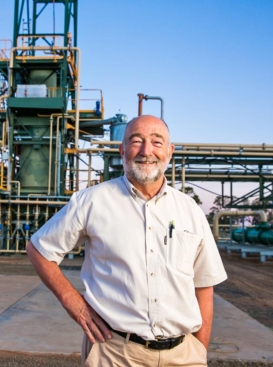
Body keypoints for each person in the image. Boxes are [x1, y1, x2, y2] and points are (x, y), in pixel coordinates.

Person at [27, 115, 227, 366]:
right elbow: (39, 249)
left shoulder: (190, 210)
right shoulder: (92, 201)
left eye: (156, 142)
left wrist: (200, 350)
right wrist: (75, 305)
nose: (146, 151)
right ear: (122, 150)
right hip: (115, 353)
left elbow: (204, 285)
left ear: (169, 151)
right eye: (136, 141)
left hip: (183, 356)